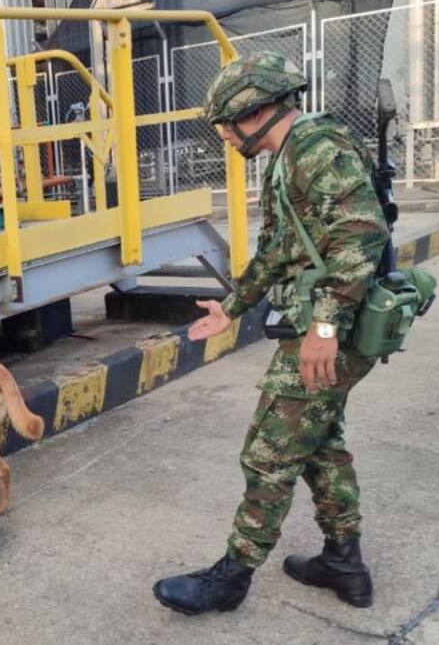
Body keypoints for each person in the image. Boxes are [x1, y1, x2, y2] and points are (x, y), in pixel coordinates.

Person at [152, 52, 390, 616]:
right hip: (327, 322)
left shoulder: (317, 150)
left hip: (335, 326)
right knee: (318, 442)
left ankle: (231, 578)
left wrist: (325, 327)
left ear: (254, 111)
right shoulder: (289, 156)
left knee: (270, 451)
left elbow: (362, 234)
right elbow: (281, 248)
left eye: (226, 126)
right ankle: (344, 562)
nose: (226, 138)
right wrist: (233, 307)